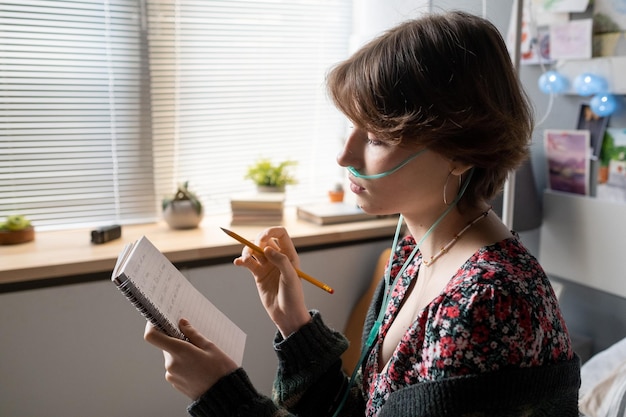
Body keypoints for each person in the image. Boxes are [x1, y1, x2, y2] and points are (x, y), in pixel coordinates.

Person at [144, 10, 581, 416]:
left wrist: (220, 393)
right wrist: (295, 326)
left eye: (375, 137)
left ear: (461, 152)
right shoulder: (414, 251)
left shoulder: (489, 303)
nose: (343, 155)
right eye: (350, 126)